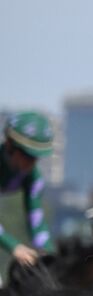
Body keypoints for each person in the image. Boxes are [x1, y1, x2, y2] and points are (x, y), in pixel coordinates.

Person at [0, 111, 55, 269]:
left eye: (36, 158)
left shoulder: (33, 178)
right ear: (10, 145)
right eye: (27, 155)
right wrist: (14, 247)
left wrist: (48, 254)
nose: (31, 163)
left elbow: (36, 218)